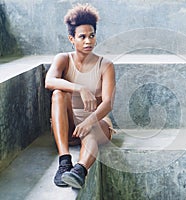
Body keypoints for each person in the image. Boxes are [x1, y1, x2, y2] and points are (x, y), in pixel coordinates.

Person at [45, 3, 115, 189]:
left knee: (92, 131)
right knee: (59, 94)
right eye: (82, 37)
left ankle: (79, 171)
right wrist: (80, 88)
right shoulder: (63, 59)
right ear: (72, 38)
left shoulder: (105, 65)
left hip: (96, 124)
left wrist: (89, 121)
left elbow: (107, 103)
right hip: (68, 126)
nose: (88, 41)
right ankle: (64, 162)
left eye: (91, 36)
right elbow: (49, 81)